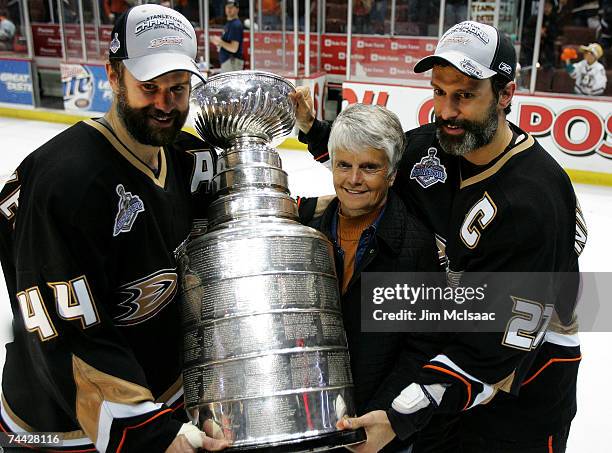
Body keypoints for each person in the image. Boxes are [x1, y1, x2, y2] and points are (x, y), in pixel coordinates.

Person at [292, 20, 584, 453]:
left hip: (520, 390)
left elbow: (502, 342)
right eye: (439, 92)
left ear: (505, 94)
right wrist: (315, 134)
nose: (446, 111)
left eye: (464, 95)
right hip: (452, 362)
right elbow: (371, 167)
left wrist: (402, 412)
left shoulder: (534, 202)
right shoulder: (436, 144)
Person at [0, 5, 229, 453]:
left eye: (178, 89)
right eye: (149, 87)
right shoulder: (65, 184)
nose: (165, 104)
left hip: (160, 393)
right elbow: (67, 332)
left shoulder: (190, 157)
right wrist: (148, 430)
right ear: (112, 74)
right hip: (64, 424)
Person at [297, 104, 440, 452]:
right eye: (344, 165)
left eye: (369, 167)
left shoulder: (414, 247)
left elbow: (420, 348)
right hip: (308, 426)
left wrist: (382, 417)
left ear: (391, 174)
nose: (354, 179)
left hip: (376, 434)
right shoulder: (306, 236)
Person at [211, 0, 244, 72]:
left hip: (232, 62)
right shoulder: (229, 24)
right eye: (227, 7)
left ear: (237, 9)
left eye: (231, 7)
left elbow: (234, 48)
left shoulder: (235, 25)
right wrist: (218, 42)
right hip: (228, 62)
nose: (229, 9)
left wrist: (219, 42)